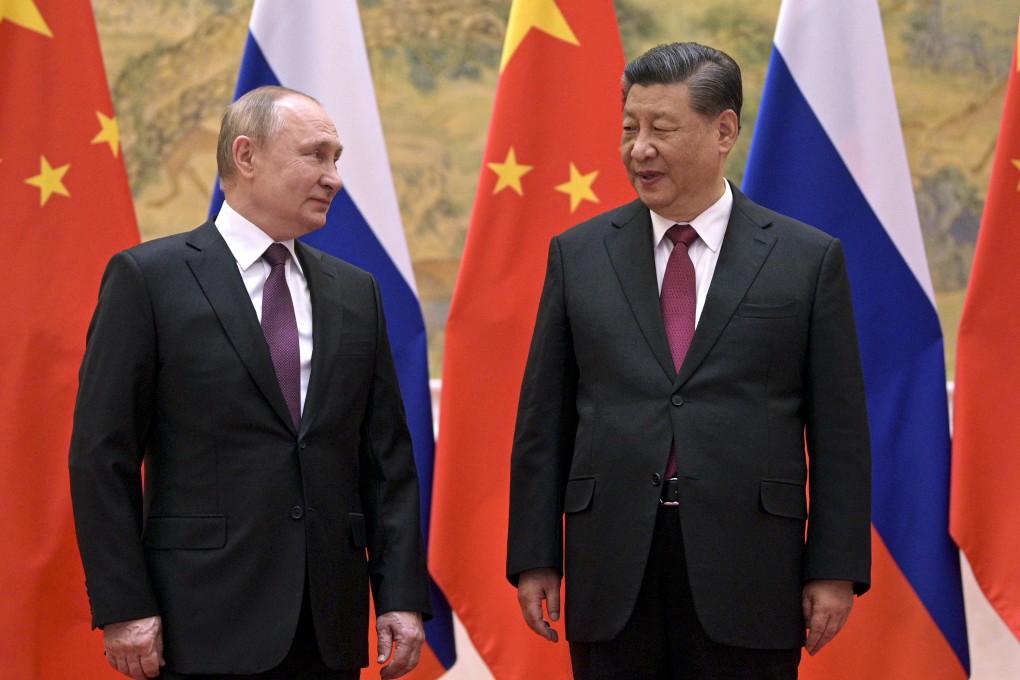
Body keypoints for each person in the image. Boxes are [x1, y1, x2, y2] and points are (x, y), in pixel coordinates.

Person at [506, 42, 871, 679]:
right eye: (630, 128)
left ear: (723, 130)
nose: (639, 149)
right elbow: (545, 420)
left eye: (662, 129)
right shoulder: (579, 254)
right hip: (612, 565)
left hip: (751, 567)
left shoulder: (805, 259)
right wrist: (536, 555)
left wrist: (834, 568)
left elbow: (839, 432)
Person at [69, 85, 430, 680]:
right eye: (315, 155)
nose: (334, 178)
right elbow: (101, 456)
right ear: (246, 155)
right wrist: (124, 604)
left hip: (327, 626)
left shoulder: (356, 292)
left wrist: (399, 596)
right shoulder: (148, 280)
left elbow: (387, 461)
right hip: (198, 620)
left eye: (336, 158)